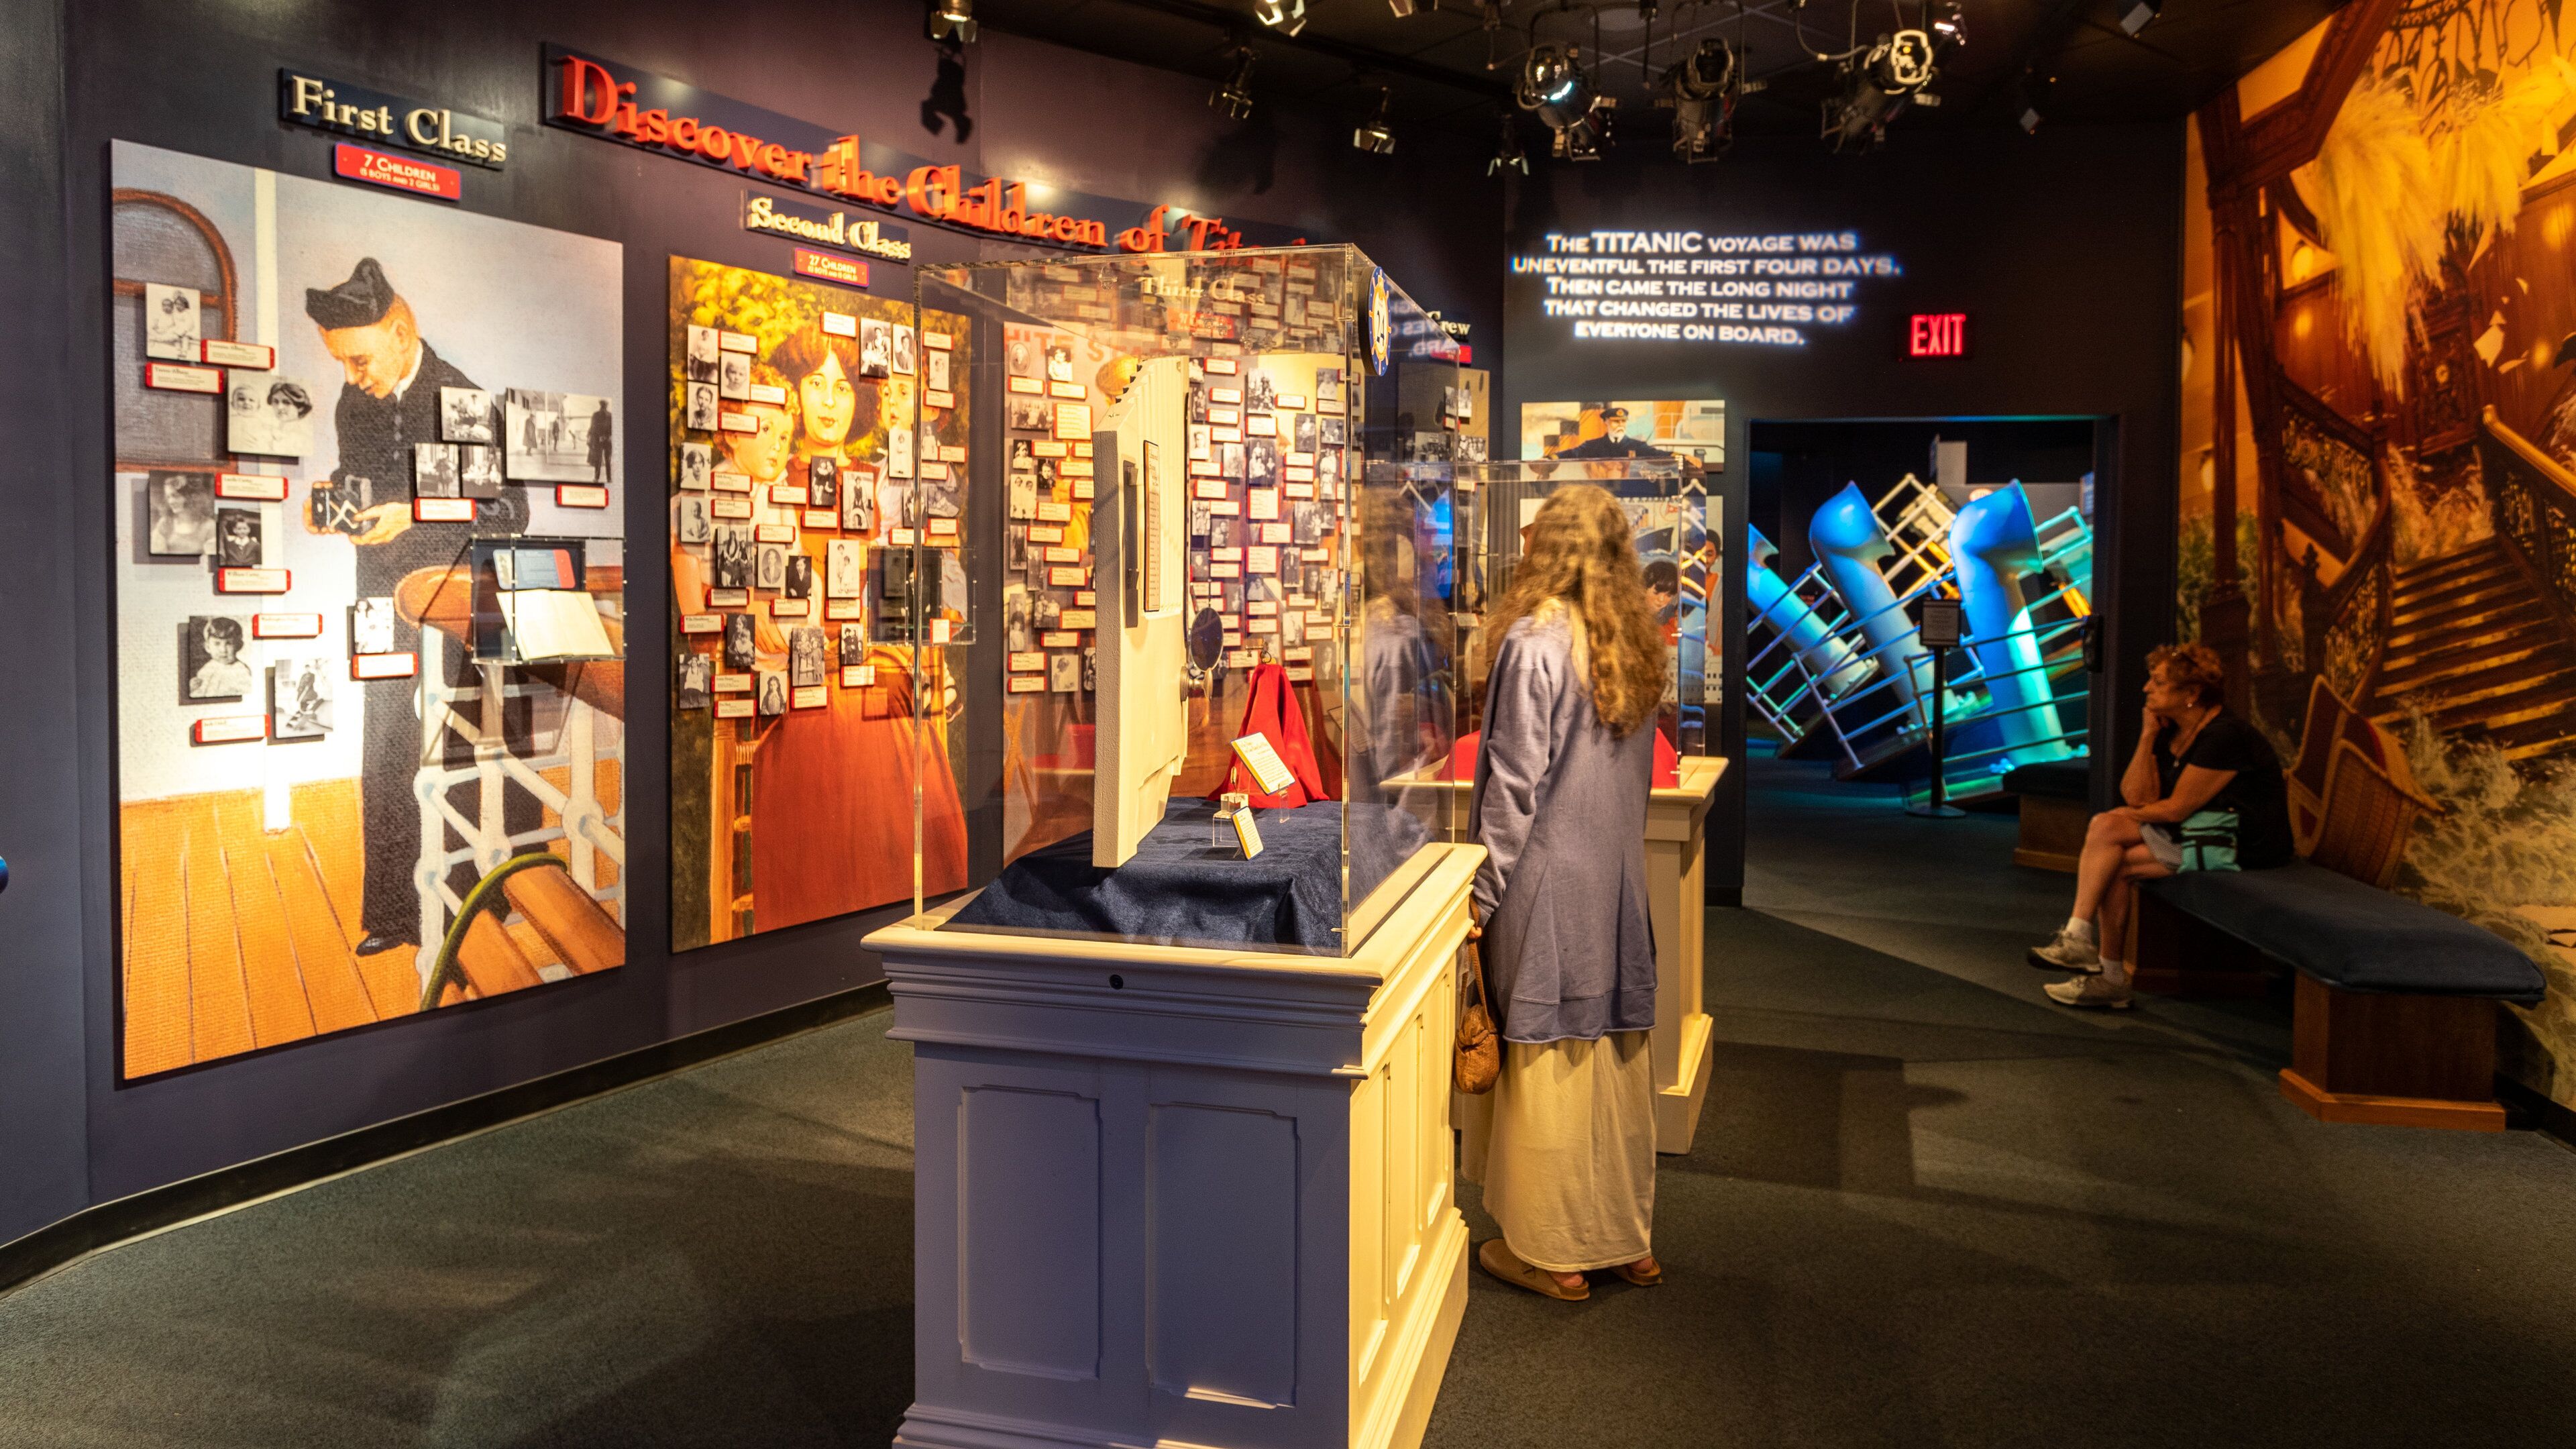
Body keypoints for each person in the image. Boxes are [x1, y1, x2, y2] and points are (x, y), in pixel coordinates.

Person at [1462, 484, 1665, 1301]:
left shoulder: (1536, 640)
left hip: (1545, 885)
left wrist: (1478, 896)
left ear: (1550, 545)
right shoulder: (1632, 642)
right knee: (1613, 1058)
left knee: (1546, 1066)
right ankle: (1627, 1242)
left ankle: (1553, 1253)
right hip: (1615, 882)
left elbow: (1515, 785)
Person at [303, 256, 526, 959]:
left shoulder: (464, 398)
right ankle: (394, 914)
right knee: (387, 743)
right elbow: (361, 478)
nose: (351, 377)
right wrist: (331, 500)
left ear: (400, 333)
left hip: (461, 602)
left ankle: (474, 904)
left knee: (463, 747)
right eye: (341, 363)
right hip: (382, 601)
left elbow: (511, 512)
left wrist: (417, 513)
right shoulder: (353, 403)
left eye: (359, 360)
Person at [2028, 642, 2293, 1008]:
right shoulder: (2172, 730)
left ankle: (2096, 961)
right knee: (2110, 848)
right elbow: (2137, 795)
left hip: (2238, 845)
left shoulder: (2224, 736)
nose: (2146, 688)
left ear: (2191, 693)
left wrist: (2125, 816)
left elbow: (2176, 810)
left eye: (2158, 682)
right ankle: (2093, 956)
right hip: (2196, 834)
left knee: (2109, 833)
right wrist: (2147, 736)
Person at [188, 616, 252, 700]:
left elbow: (246, 697)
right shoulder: (209, 666)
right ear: (208, 647)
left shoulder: (241, 670)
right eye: (217, 644)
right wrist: (192, 688)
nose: (223, 650)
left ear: (239, 646)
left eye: (229, 643)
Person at [587, 398, 614, 482]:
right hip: (608, 441)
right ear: (606, 406)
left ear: (601, 405)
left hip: (598, 440)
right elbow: (612, 428)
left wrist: (598, 436)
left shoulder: (595, 415)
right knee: (607, 460)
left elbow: (593, 427)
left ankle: (596, 478)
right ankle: (609, 478)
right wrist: (607, 436)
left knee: (598, 460)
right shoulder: (610, 415)